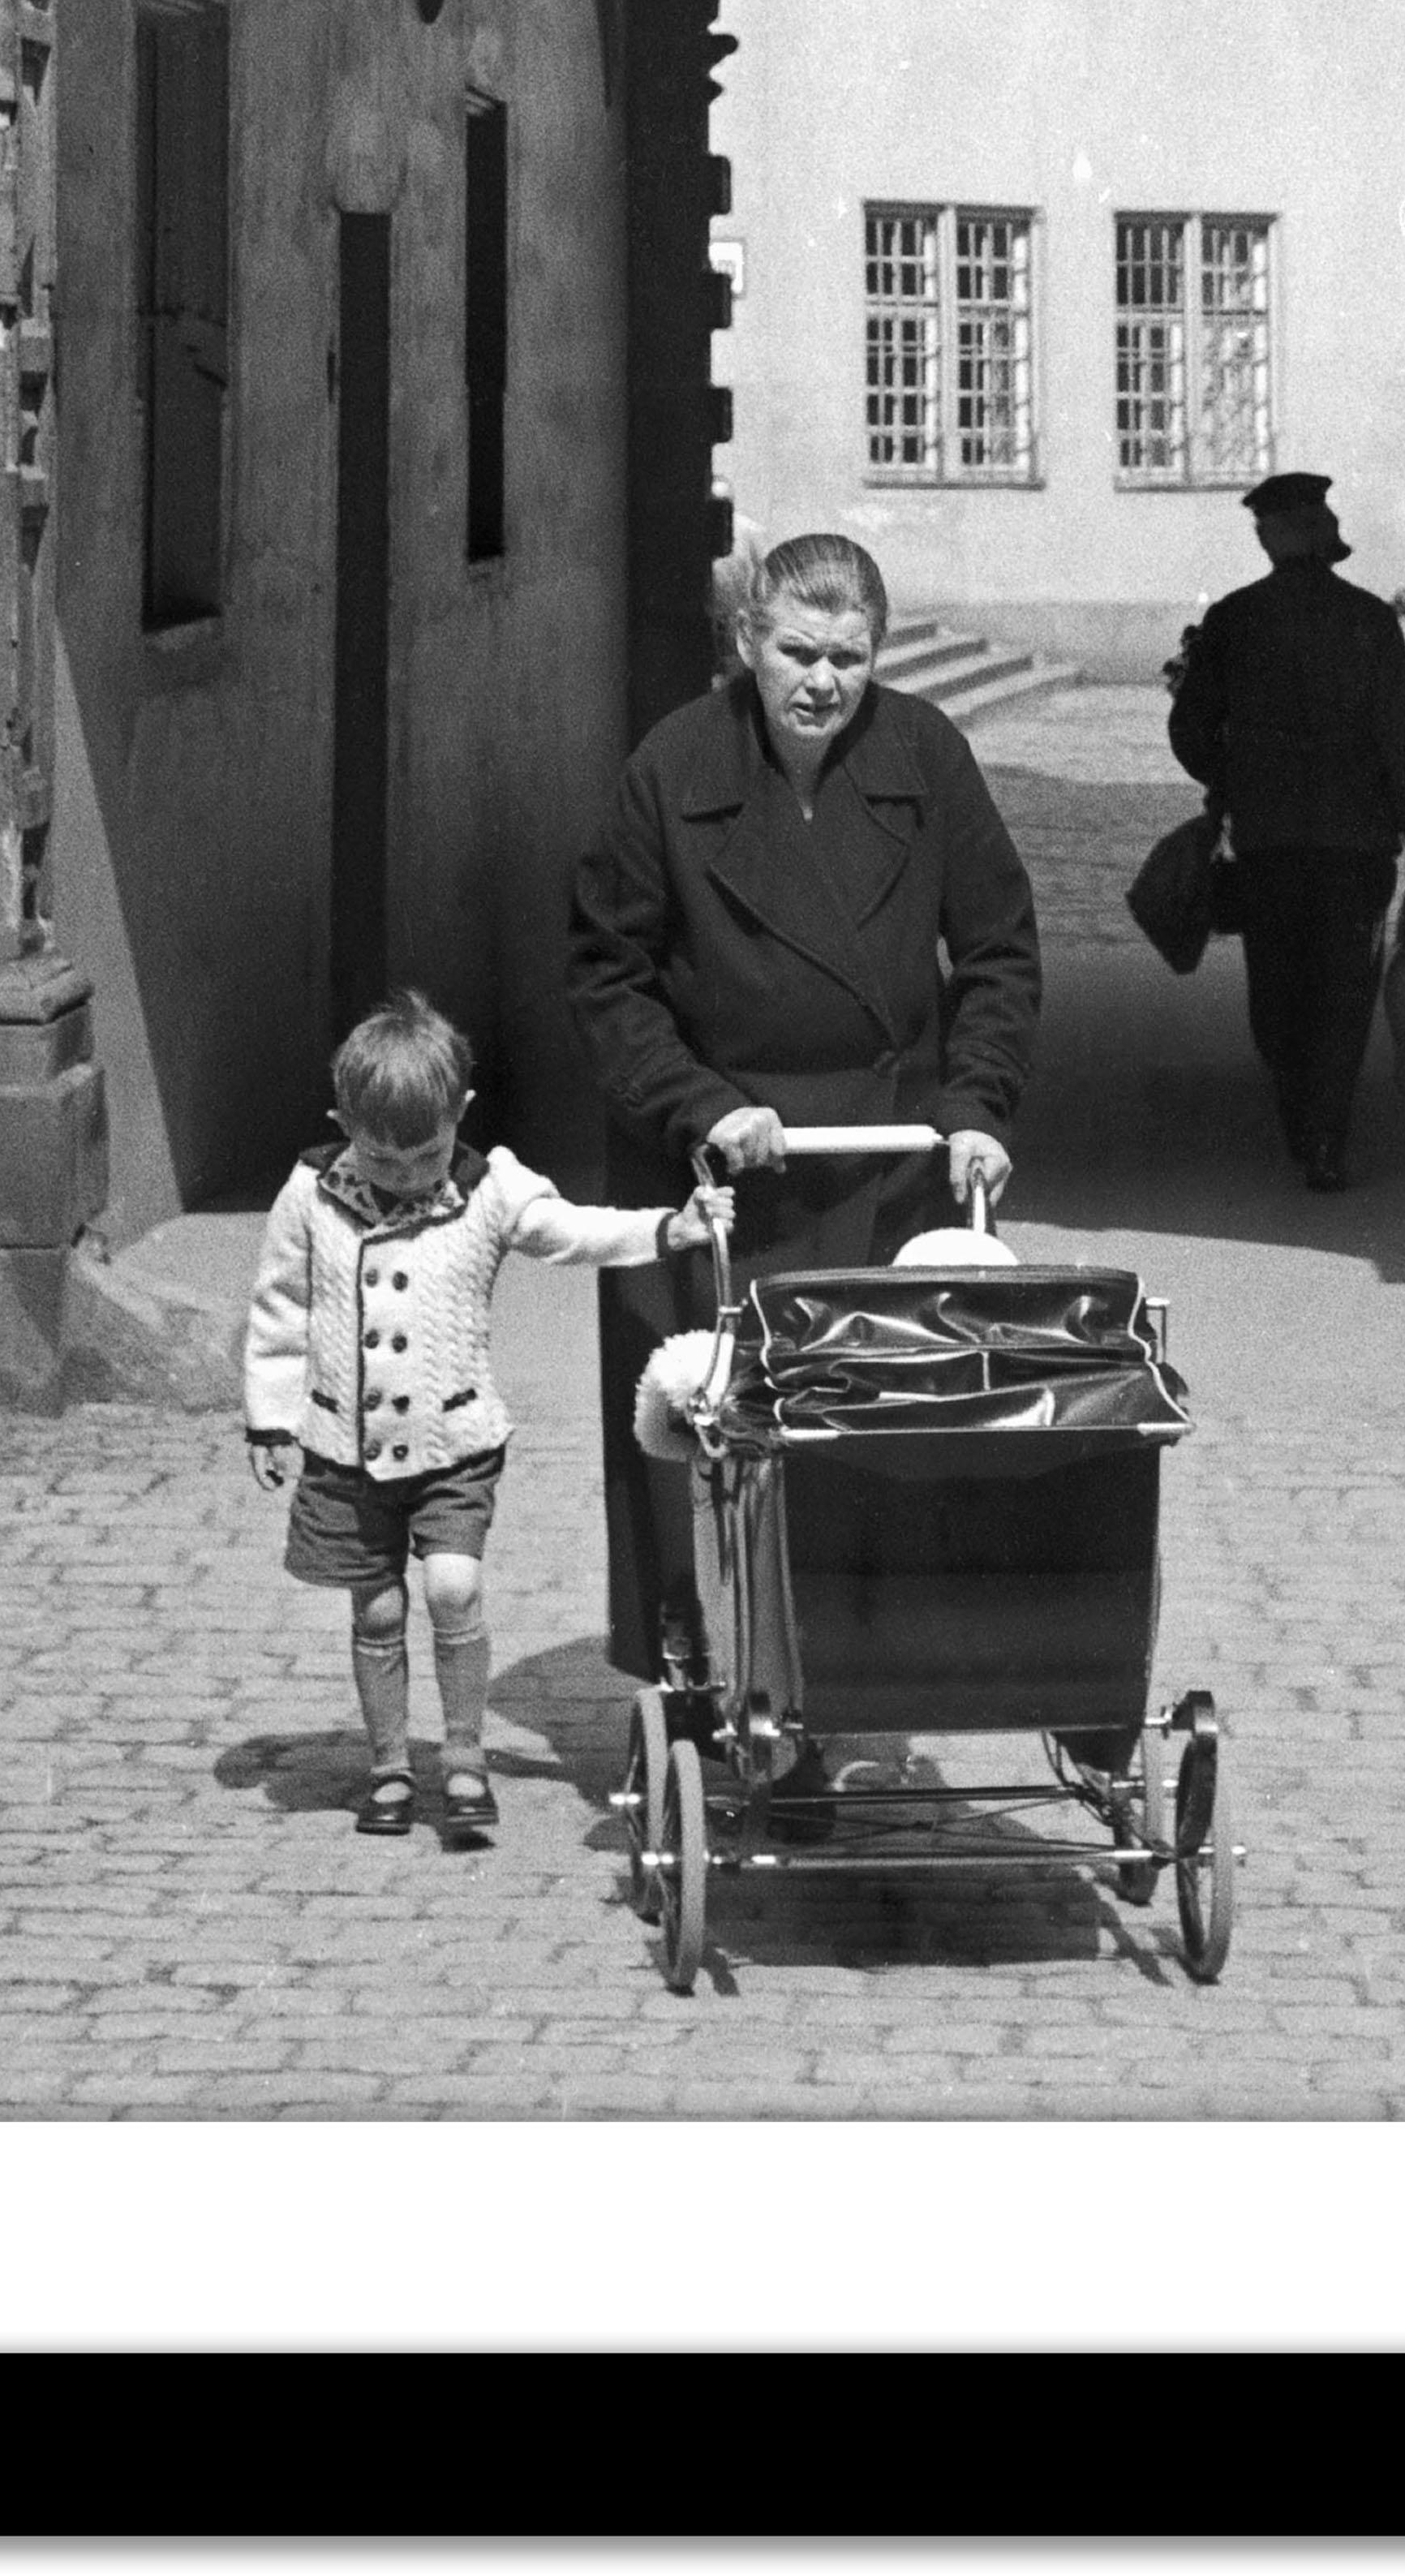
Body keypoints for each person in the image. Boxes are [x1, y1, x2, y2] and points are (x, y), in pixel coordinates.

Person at [565, 527, 1040, 1692]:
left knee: (871, 1442)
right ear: (747, 642)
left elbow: (997, 950)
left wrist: (976, 1108)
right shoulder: (674, 768)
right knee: (701, 1425)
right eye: (797, 652)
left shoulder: (929, 757)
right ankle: (697, 1667)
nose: (822, 681)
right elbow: (607, 974)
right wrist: (698, 1104)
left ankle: (863, 1682)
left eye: (850, 657)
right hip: (714, 1171)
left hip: (880, 1157)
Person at [242, 987, 720, 1847]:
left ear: (460, 1113)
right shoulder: (309, 1195)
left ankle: (463, 1753)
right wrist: (271, 1418)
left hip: (454, 1442)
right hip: (341, 1448)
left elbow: (570, 1230)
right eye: (378, 1158)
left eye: (423, 1153)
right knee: (378, 1608)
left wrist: (667, 1227)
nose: (402, 1174)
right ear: (340, 1120)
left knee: (452, 1584)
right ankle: (391, 1763)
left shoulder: (491, 1189)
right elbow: (280, 1307)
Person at [1169, 469, 1405, 1195]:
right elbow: (1403, 742)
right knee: (1344, 992)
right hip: (1356, 844)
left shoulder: (1234, 620)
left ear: (1272, 538)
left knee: (1279, 986)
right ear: (1319, 535)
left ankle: (1299, 1114)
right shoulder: (1368, 620)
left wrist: (1229, 780)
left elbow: (1190, 728)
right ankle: (1328, 1135)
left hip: (1269, 841)